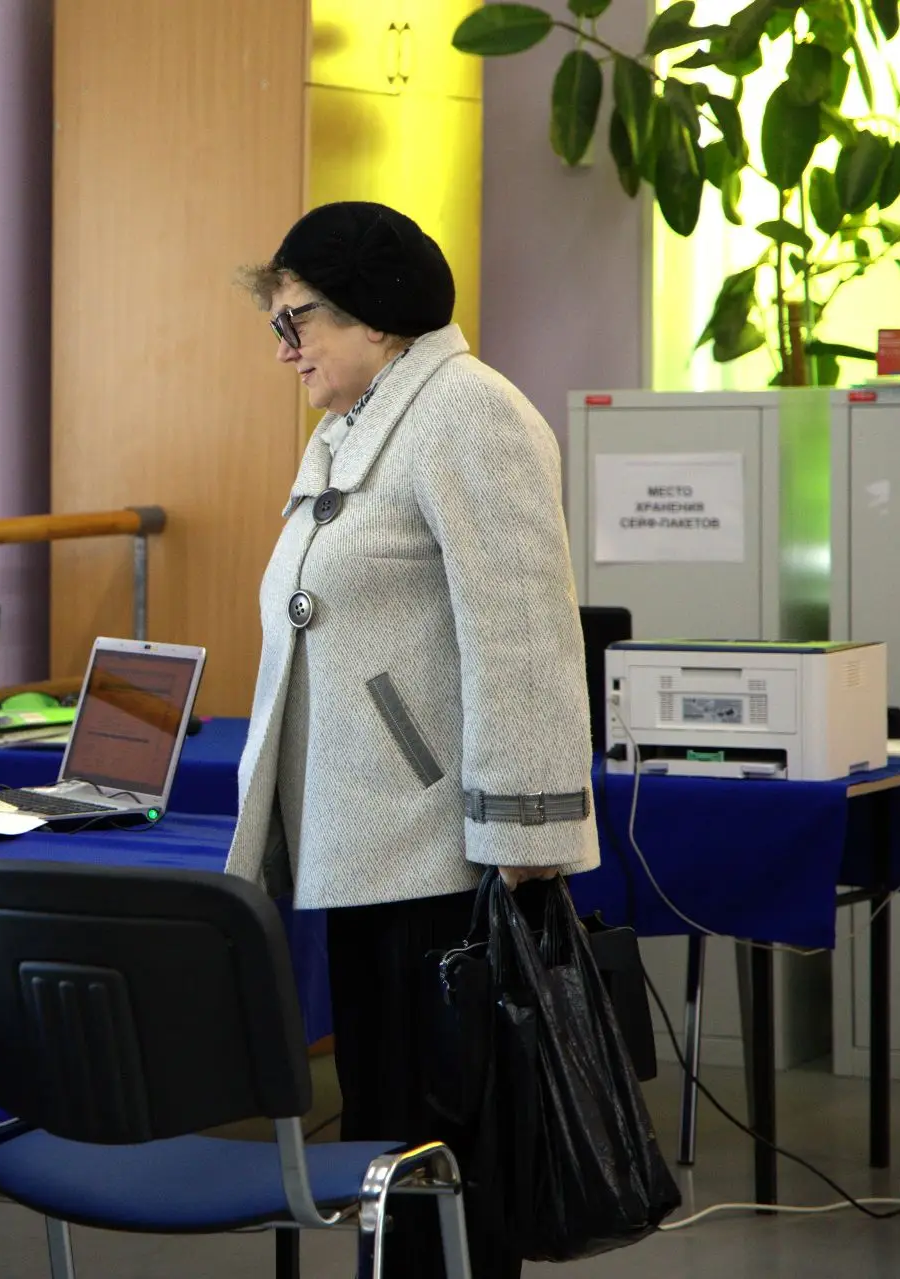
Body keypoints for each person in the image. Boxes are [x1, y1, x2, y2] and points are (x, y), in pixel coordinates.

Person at [222, 202, 599, 1279]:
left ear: (378, 314)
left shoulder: (468, 413)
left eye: (299, 320)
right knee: (389, 1138)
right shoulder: (358, 422)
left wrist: (526, 836)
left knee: (447, 1153)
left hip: (445, 856)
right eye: (279, 324)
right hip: (367, 845)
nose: (286, 349)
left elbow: (523, 636)